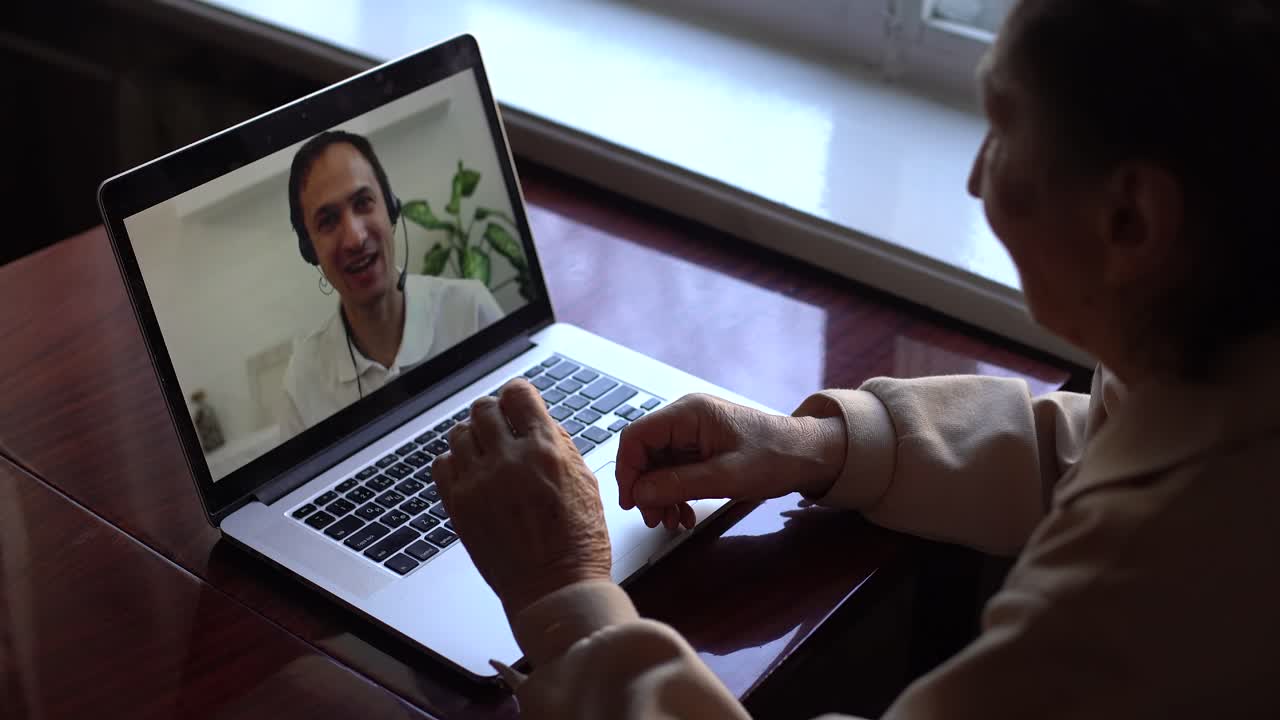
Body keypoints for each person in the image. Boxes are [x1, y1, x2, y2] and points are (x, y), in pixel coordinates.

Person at [433, 0, 1280, 717]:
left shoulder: (1138, 595)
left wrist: (563, 601)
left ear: (1131, 220)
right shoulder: (1227, 362)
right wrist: (827, 446)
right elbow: (1101, 447)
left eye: (1005, 127)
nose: (977, 181)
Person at [279, 131, 503, 437]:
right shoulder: (302, 379)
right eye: (328, 221)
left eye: (363, 203)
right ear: (310, 250)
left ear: (391, 209)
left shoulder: (470, 309)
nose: (355, 238)